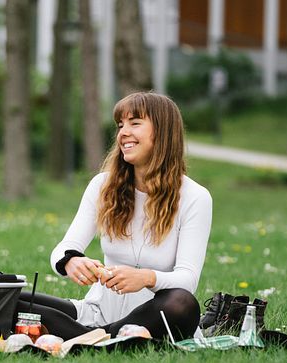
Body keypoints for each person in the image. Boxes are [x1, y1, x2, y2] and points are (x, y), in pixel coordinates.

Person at [17, 92, 212, 341]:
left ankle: (88, 337)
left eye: (135, 123)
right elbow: (64, 248)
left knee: (182, 304)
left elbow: (188, 280)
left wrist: (145, 278)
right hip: (96, 312)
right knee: (10, 298)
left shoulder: (195, 197)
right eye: (121, 125)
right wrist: (71, 261)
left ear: (162, 132)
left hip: (152, 315)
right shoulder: (103, 185)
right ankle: (100, 337)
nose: (123, 133)